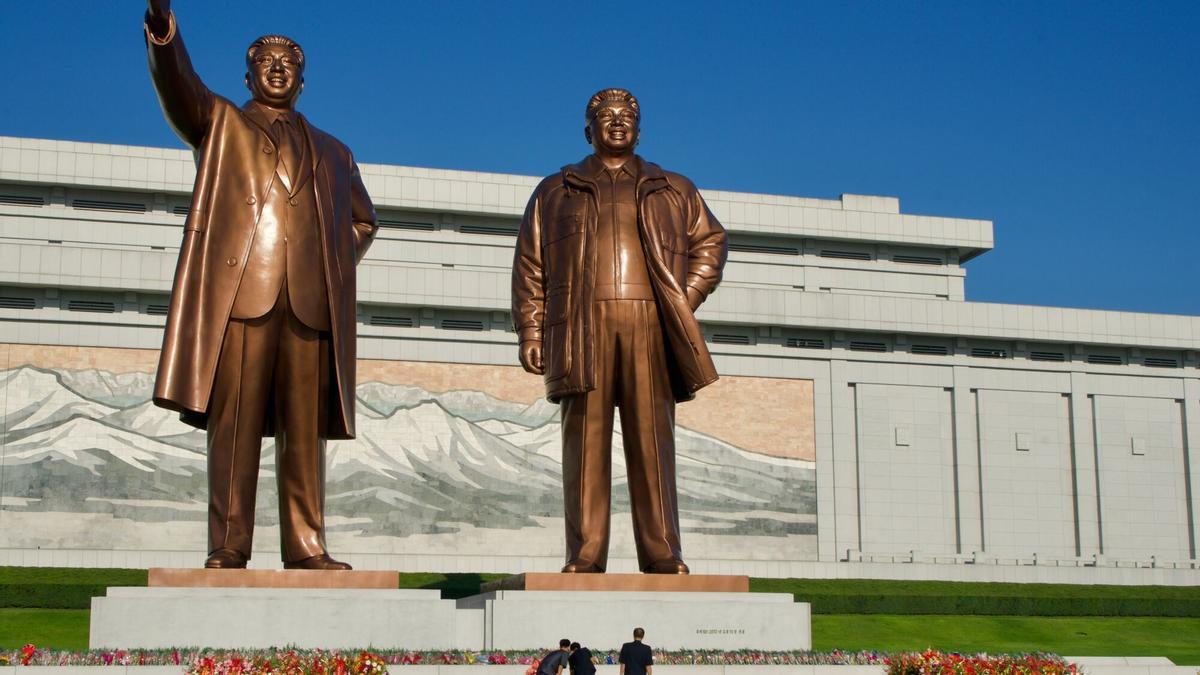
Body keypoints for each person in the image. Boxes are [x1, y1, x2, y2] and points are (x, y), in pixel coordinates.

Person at [143, 0, 378, 570]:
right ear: (247, 75)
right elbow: (180, 88)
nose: (278, 69)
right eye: (266, 62)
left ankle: (306, 545)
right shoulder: (221, 122)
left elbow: (363, 220)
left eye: (289, 63)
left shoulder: (334, 150)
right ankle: (229, 543)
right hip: (243, 295)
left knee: (304, 436)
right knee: (236, 425)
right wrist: (162, 28)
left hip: (309, 304)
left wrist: (331, 260)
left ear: (303, 79)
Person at [511, 88, 727, 574]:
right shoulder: (556, 190)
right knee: (584, 445)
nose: (616, 122)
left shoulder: (673, 187)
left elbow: (710, 244)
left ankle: (662, 552)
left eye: (627, 115)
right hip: (579, 327)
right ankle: (585, 554)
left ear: (639, 127)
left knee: (652, 442)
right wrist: (530, 331)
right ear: (587, 130)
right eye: (604, 116)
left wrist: (683, 301)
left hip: (650, 324)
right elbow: (530, 264)